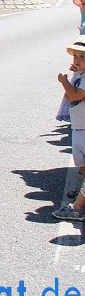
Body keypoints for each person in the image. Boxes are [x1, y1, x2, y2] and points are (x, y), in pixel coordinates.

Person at [53, 36, 85, 221]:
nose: (77, 60)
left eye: (82, 56)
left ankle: (78, 208)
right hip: (79, 127)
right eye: (76, 56)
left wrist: (63, 81)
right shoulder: (80, 76)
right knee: (82, 165)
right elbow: (68, 97)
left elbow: (73, 96)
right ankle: (80, 195)